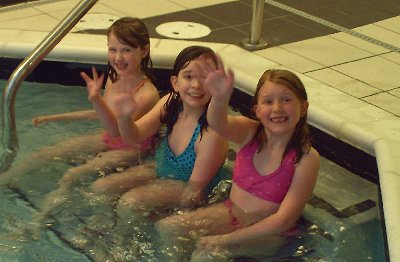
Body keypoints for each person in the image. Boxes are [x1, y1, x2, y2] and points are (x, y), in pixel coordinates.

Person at [154, 56, 320, 261]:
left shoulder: (305, 158)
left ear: (303, 107)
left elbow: (284, 220)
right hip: (230, 213)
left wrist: (225, 240)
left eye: (286, 100)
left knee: (205, 255)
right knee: (168, 227)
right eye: (268, 101)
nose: (277, 108)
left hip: (270, 234)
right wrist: (221, 97)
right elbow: (217, 122)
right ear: (257, 110)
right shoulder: (250, 133)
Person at [0, 17, 160, 217]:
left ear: (143, 51)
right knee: (45, 154)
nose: (118, 57)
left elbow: (117, 130)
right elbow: (104, 114)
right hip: (108, 138)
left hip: (131, 150)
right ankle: (4, 180)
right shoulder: (114, 78)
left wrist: (95, 99)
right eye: (113, 49)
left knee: (72, 176)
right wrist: (55, 117)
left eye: (126, 50)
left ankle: (38, 220)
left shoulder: (146, 94)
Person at [97, 46, 229, 228]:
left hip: (187, 185)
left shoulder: (212, 131)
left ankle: (121, 246)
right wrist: (125, 117)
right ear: (175, 82)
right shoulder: (171, 103)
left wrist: (167, 213)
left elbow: (193, 192)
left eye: (205, 78)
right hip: (161, 169)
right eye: (189, 76)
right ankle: (106, 228)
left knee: (130, 202)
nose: (196, 86)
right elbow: (134, 137)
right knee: (101, 187)